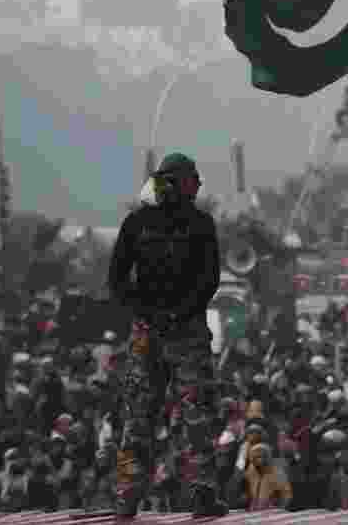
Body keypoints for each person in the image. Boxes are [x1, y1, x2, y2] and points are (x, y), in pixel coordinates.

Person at [107, 153, 228, 518]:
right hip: (184, 330)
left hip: (149, 331)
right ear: (177, 182)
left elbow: (117, 282)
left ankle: (128, 494)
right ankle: (202, 493)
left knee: (140, 413)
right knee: (194, 411)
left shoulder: (137, 223)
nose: (197, 186)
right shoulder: (199, 223)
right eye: (193, 180)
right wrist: (174, 313)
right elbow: (209, 281)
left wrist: (146, 313)